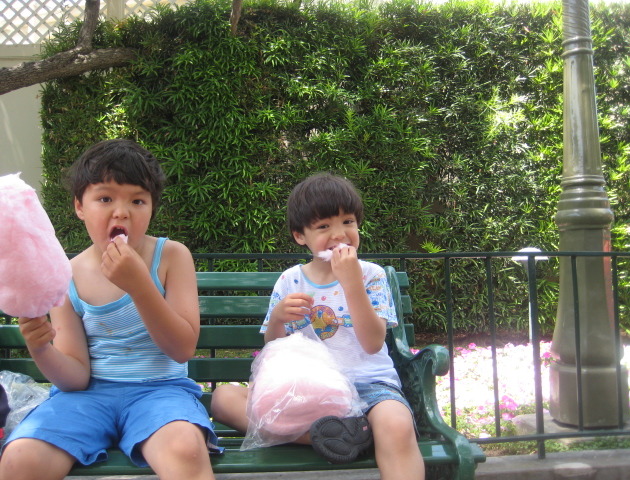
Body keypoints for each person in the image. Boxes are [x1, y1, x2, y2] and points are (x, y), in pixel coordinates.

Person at [0, 139, 218, 480]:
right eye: (105, 199)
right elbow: (75, 378)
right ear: (79, 206)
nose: (121, 212)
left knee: (185, 450)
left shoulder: (172, 256)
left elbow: (182, 349)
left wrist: (140, 286)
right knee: (20, 459)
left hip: (161, 392)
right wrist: (40, 347)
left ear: (152, 208)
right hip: (87, 398)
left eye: (138, 200)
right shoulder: (65, 274)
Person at [211, 172, 425, 480]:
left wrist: (352, 284)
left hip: (370, 387)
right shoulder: (290, 280)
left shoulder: (371, 276)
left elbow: (373, 343)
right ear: (301, 236)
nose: (340, 234)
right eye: (324, 226)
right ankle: (349, 436)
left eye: (348, 221)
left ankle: (355, 432)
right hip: (307, 392)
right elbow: (274, 349)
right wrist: (278, 319)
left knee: (396, 425)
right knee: (223, 399)